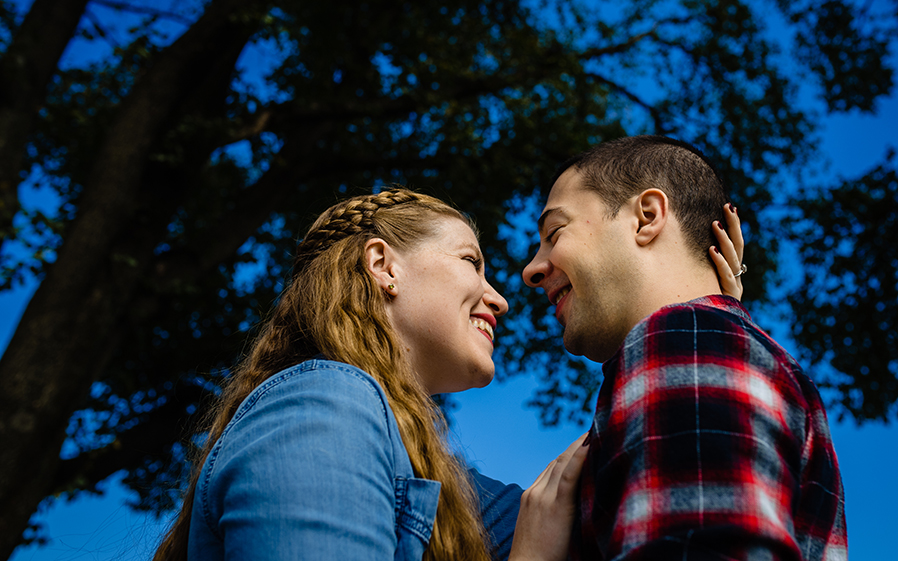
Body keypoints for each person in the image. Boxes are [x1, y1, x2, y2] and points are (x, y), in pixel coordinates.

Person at [151, 189, 587, 561]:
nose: (499, 300)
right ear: (383, 265)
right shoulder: (323, 409)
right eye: (470, 261)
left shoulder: (426, 468)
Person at [519, 135, 848, 560]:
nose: (531, 269)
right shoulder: (717, 348)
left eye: (554, 232)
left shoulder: (683, 339)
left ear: (647, 217)